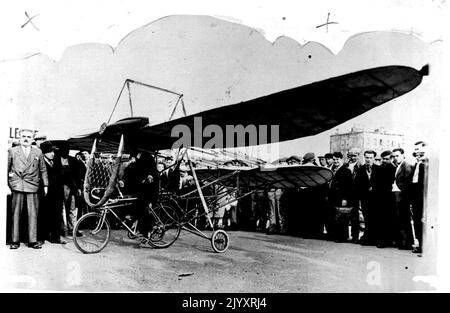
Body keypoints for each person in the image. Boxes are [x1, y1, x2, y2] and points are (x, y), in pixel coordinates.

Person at [7, 129, 48, 249]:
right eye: (24, 136)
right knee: (15, 214)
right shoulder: (12, 151)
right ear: (20, 138)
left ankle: (32, 240)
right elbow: (6, 167)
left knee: (33, 214)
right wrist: (5, 185)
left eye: (29, 137)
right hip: (17, 185)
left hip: (32, 185)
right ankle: (14, 241)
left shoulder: (38, 152)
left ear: (32, 139)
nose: (26, 139)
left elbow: (43, 169)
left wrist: (45, 185)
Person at [40, 141, 66, 244]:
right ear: (44, 153)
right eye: (49, 152)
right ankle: (43, 236)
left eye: (53, 152)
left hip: (58, 193)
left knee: (57, 215)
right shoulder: (41, 162)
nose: (52, 154)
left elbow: (61, 176)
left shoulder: (56, 160)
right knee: (45, 215)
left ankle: (56, 237)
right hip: (46, 194)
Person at [354, 150, 379, 246]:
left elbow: (383, 185)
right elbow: (356, 185)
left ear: (374, 158)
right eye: (367, 158)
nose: (368, 160)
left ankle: (375, 239)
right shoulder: (360, 170)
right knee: (367, 219)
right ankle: (368, 238)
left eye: (370, 158)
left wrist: (374, 188)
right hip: (365, 199)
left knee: (375, 219)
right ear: (364, 158)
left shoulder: (378, 169)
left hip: (376, 199)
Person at [373, 150, 396, 248]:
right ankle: (381, 240)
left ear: (391, 159)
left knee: (388, 220)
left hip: (389, 198)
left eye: (387, 159)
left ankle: (388, 240)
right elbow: (374, 181)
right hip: (379, 198)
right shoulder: (379, 168)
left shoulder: (394, 169)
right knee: (380, 219)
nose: (385, 161)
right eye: (383, 159)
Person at [392, 148, 414, 250]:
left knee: (404, 220)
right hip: (399, 197)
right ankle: (403, 242)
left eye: (397, 156)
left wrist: (403, 196)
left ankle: (406, 243)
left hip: (403, 198)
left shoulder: (406, 166)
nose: (396, 158)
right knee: (401, 220)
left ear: (403, 155)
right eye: (394, 156)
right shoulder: (399, 166)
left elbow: (407, 184)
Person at [328, 152, 353, 242]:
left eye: (337, 159)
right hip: (333, 197)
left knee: (342, 217)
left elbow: (348, 187)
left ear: (341, 159)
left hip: (341, 197)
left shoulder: (346, 171)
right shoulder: (332, 170)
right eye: (334, 159)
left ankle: (342, 236)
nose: (335, 161)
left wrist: (345, 199)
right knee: (334, 216)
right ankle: (335, 235)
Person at [59, 143, 83, 238]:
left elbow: (78, 176)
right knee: (60, 209)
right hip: (59, 188)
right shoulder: (56, 160)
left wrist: (78, 188)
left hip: (71, 188)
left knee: (72, 210)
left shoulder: (73, 161)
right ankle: (61, 229)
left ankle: (72, 229)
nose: (66, 151)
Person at [411, 141, 427, 254]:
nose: (417, 153)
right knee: (417, 221)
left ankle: (424, 246)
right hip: (416, 197)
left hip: (423, 197)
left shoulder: (426, 165)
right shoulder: (417, 164)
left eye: (419, 150)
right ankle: (420, 244)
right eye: (416, 150)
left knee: (422, 221)